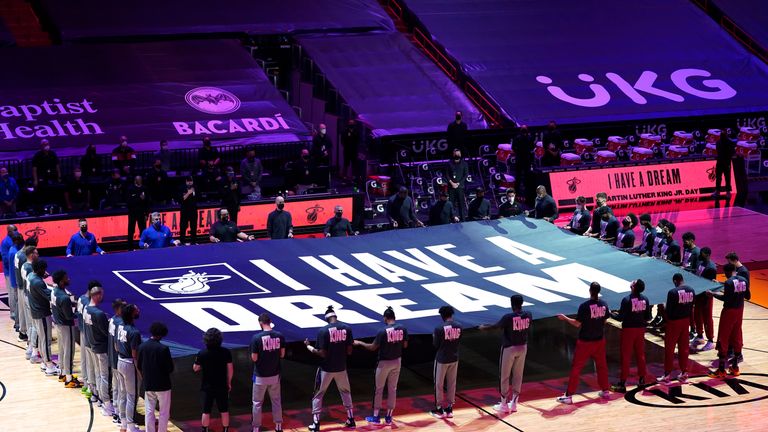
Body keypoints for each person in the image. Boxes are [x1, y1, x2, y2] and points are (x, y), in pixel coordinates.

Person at [556, 282, 610, 404]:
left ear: (590, 291)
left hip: (585, 342)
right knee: (602, 366)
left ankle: (568, 396)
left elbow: (577, 323)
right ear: (599, 291)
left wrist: (564, 318)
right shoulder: (604, 304)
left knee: (576, 368)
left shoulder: (584, 306)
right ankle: (605, 390)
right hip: (599, 340)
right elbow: (605, 320)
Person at [354, 307, 409, 425]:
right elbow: (405, 345)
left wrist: (360, 343)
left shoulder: (383, 331)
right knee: (392, 389)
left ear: (385, 318)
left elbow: (373, 347)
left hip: (384, 363)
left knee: (379, 389)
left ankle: (376, 416)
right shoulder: (402, 328)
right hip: (397, 361)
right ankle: (389, 416)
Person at [305, 306, 356, 432]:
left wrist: (309, 347)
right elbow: (349, 351)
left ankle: (316, 424)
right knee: (345, 392)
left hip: (326, 369)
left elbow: (322, 353)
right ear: (335, 316)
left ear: (326, 319)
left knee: (318, 395)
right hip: (341, 368)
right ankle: (351, 419)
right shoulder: (346, 328)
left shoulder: (323, 331)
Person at [479, 295, 530, 413]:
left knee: (504, 376)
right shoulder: (529, 315)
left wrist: (483, 327)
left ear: (512, 304)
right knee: (518, 376)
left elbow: (496, 326)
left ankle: (504, 404)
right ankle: (514, 404)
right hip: (523, 347)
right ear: (522, 303)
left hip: (509, 348)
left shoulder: (508, 317)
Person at [707, 263, 750, 378]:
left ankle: (721, 370)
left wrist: (713, 294)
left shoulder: (729, 282)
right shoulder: (744, 279)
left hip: (729, 312)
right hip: (740, 310)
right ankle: (735, 368)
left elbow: (726, 298)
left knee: (723, 337)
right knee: (736, 336)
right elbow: (748, 296)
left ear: (727, 272)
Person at [609, 280, 651, 393]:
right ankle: (642, 380)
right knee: (641, 355)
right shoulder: (645, 299)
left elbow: (620, 318)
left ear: (633, 286)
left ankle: (622, 384)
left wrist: (609, 313)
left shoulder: (626, 300)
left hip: (628, 330)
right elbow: (648, 317)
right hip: (640, 330)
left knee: (626, 357)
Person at [657, 273, 695, 384]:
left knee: (669, 349)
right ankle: (684, 373)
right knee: (684, 349)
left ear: (675, 281)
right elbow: (691, 307)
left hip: (674, 323)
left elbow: (669, 311)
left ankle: (667, 375)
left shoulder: (672, 292)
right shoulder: (691, 290)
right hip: (685, 322)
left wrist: (663, 307)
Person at [84, 284, 115, 416]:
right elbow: (106, 332)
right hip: (101, 347)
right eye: (101, 295)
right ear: (96, 295)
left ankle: (100, 399)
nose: (102, 297)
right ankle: (107, 403)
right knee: (103, 376)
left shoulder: (86, 308)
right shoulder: (99, 313)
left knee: (98, 374)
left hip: (91, 344)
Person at [250, 314, 285, 432]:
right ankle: (278, 426)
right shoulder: (279, 336)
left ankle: (256, 428)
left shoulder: (256, 338)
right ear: (270, 322)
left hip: (260, 376)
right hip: (274, 375)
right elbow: (282, 354)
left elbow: (254, 358)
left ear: (260, 323)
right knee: (276, 401)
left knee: (257, 403)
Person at [194, 328, 233, 432]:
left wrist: (203, 364)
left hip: (207, 387)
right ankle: (225, 430)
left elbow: (196, 368)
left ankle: (205, 430)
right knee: (224, 410)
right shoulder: (226, 352)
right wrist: (229, 382)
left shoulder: (202, 353)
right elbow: (230, 369)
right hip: (222, 385)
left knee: (206, 411)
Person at [138, 322, 174, 432]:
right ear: (162, 334)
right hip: (163, 385)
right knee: (164, 412)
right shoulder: (163, 349)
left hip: (149, 383)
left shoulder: (142, 346)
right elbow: (170, 368)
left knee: (149, 410)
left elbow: (139, 365)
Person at [427, 306, 462, 419]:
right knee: (452, 383)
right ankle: (450, 408)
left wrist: (434, 337)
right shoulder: (459, 326)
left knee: (439, 384)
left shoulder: (439, 328)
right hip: (454, 358)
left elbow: (435, 345)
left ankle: (439, 409)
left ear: (442, 315)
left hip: (442, 359)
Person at [116, 304, 142, 432]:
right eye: (136, 310)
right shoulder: (134, 332)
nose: (139, 310)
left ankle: (123, 424)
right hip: (129, 363)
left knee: (123, 393)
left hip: (119, 361)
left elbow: (116, 346)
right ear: (132, 314)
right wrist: (139, 371)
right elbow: (134, 354)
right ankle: (131, 426)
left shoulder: (120, 326)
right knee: (132, 395)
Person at [28, 258, 57, 376]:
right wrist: (57, 289)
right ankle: (49, 365)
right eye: (44, 269)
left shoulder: (31, 276)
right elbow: (49, 295)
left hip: (35, 310)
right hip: (42, 313)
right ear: (39, 269)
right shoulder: (37, 282)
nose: (45, 271)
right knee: (46, 339)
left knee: (42, 338)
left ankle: (45, 362)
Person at [51, 270, 79, 388]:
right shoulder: (64, 297)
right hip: (66, 325)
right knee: (69, 351)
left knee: (62, 349)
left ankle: (62, 373)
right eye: (66, 278)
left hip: (58, 323)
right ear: (62, 281)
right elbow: (69, 316)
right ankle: (68, 378)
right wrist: (77, 313)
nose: (69, 279)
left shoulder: (54, 291)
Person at [691, 247, 716, 352]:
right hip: (698, 294)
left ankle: (710, 341)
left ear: (707, 254)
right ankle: (700, 336)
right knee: (697, 315)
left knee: (707, 318)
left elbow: (710, 284)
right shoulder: (700, 263)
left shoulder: (711, 267)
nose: (700, 255)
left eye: (702, 253)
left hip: (706, 296)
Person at [108, 299, 126, 425]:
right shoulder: (120, 323)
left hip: (112, 358)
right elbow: (118, 345)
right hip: (118, 359)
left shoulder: (112, 319)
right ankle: (121, 416)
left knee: (116, 387)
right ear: (119, 309)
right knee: (122, 390)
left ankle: (116, 411)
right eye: (124, 307)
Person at [126, 176, 148, 250]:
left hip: (141, 213)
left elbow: (147, 202)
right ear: (135, 181)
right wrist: (139, 198)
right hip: (132, 213)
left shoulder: (144, 188)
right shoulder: (130, 189)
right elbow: (129, 202)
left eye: (141, 180)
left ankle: (143, 245)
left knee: (143, 230)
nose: (140, 181)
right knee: (131, 230)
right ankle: (130, 247)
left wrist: (146, 214)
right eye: (139, 180)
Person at [7, 232, 23, 335]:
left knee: (18, 304)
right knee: (18, 304)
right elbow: (14, 270)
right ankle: (18, 324)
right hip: (16, 281)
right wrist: (17, 283)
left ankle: (17, 323)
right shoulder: (13, 252)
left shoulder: (14, 249)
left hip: (15, 280)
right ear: (16, 240)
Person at [446, 148, 468, 221]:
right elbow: (447, 175)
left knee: (461, 204)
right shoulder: (449, 164)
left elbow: (465, 175)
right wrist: (452, 183)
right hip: (451, 187)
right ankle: (452, 218)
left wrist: (458, 183)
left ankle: (463, 219)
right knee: (451, 204)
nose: (458, 155)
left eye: (459, 153)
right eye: (456, 154)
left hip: (460, 187)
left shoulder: (464, 164)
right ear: (453, 154)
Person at [2, 225, 17, 324]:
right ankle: (13, 313)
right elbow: (5, 258)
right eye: (14, 230)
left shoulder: (16, 239)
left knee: (17, 292)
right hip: (9, 271)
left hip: (17, 270)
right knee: (12, 292)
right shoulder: (5, 242)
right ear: (9, 231)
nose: (16, 232)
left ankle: (18, 312)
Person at [512, 126, 533, 193]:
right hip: (521, 158)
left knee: (526, 175)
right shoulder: (517, 138)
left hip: (525, 159)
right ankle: (518, 190)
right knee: (519, 175)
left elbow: (532, 147)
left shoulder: (529, 138)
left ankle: (526, 189)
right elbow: (513, 147)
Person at [714, 129, 735, 196]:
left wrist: (727, 157)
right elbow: (718, 151)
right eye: (721, 134)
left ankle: (728, 192)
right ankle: (717, 191)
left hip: (727, 163)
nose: (722, 136)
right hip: (719, 162)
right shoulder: (718, 142)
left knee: (727, 178)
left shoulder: (730, 143)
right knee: (718, 177)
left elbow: (732, 152)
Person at [179, 176, 199, 245]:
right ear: (186, 182)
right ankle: (182, 242)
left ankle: (193, 241)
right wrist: (189, 193)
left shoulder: (195, 188)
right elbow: (182, 199)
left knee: (193, 227)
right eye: (188, 181)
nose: (189, 182)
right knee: (183, 227)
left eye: (191, 181)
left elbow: (199, 197)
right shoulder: (182, 188)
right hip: (185, 211)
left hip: (193, 210)